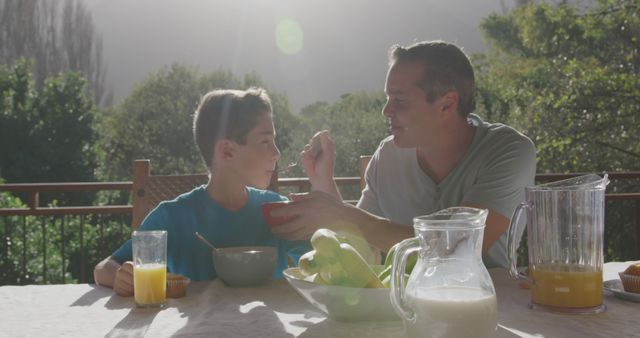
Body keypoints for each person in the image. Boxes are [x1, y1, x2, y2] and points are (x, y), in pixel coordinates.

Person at [269, 40, 537, 268]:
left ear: (447, 104)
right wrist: (324, 184)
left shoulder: (509, 151)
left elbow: (458, 250)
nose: (386, 111)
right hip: (400, 307)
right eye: (387, 99)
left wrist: (341, 214)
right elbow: (363, 252)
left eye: (399, 101)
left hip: (490, 314)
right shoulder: (387, 155)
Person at [93, 88, 312, 296]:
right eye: (265, 141)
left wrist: (322, 182)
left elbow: (326, 263)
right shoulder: (173, 217)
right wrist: (121, 278)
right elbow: (104, 268)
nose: (277, 153)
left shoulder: (278, 212)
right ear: (227, 150)